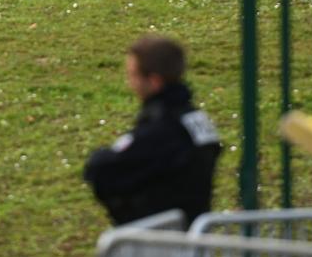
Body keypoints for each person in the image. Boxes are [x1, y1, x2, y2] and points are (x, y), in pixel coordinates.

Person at [83, 35, 222, 225]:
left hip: (161, 240)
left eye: (133, 75)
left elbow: (104, 169)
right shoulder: (195, 118)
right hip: (192, 233)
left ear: (154, 81)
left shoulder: (164, 127)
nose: (130, 84)